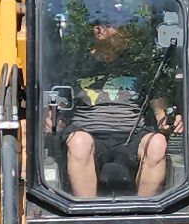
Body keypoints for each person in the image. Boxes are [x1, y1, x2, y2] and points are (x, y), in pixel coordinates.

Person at [47, 14, 178, 198]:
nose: (126, 34)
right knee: (79, 142)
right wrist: (53, 121)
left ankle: (143, 217)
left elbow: (159, 109)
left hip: (133, 137)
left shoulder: (139, 66)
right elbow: (59, 106)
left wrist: (168, 121)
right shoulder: (76, 65)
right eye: (120, 27)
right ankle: (88, 216)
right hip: (87, 134)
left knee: (157, 143)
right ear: (99, 31)